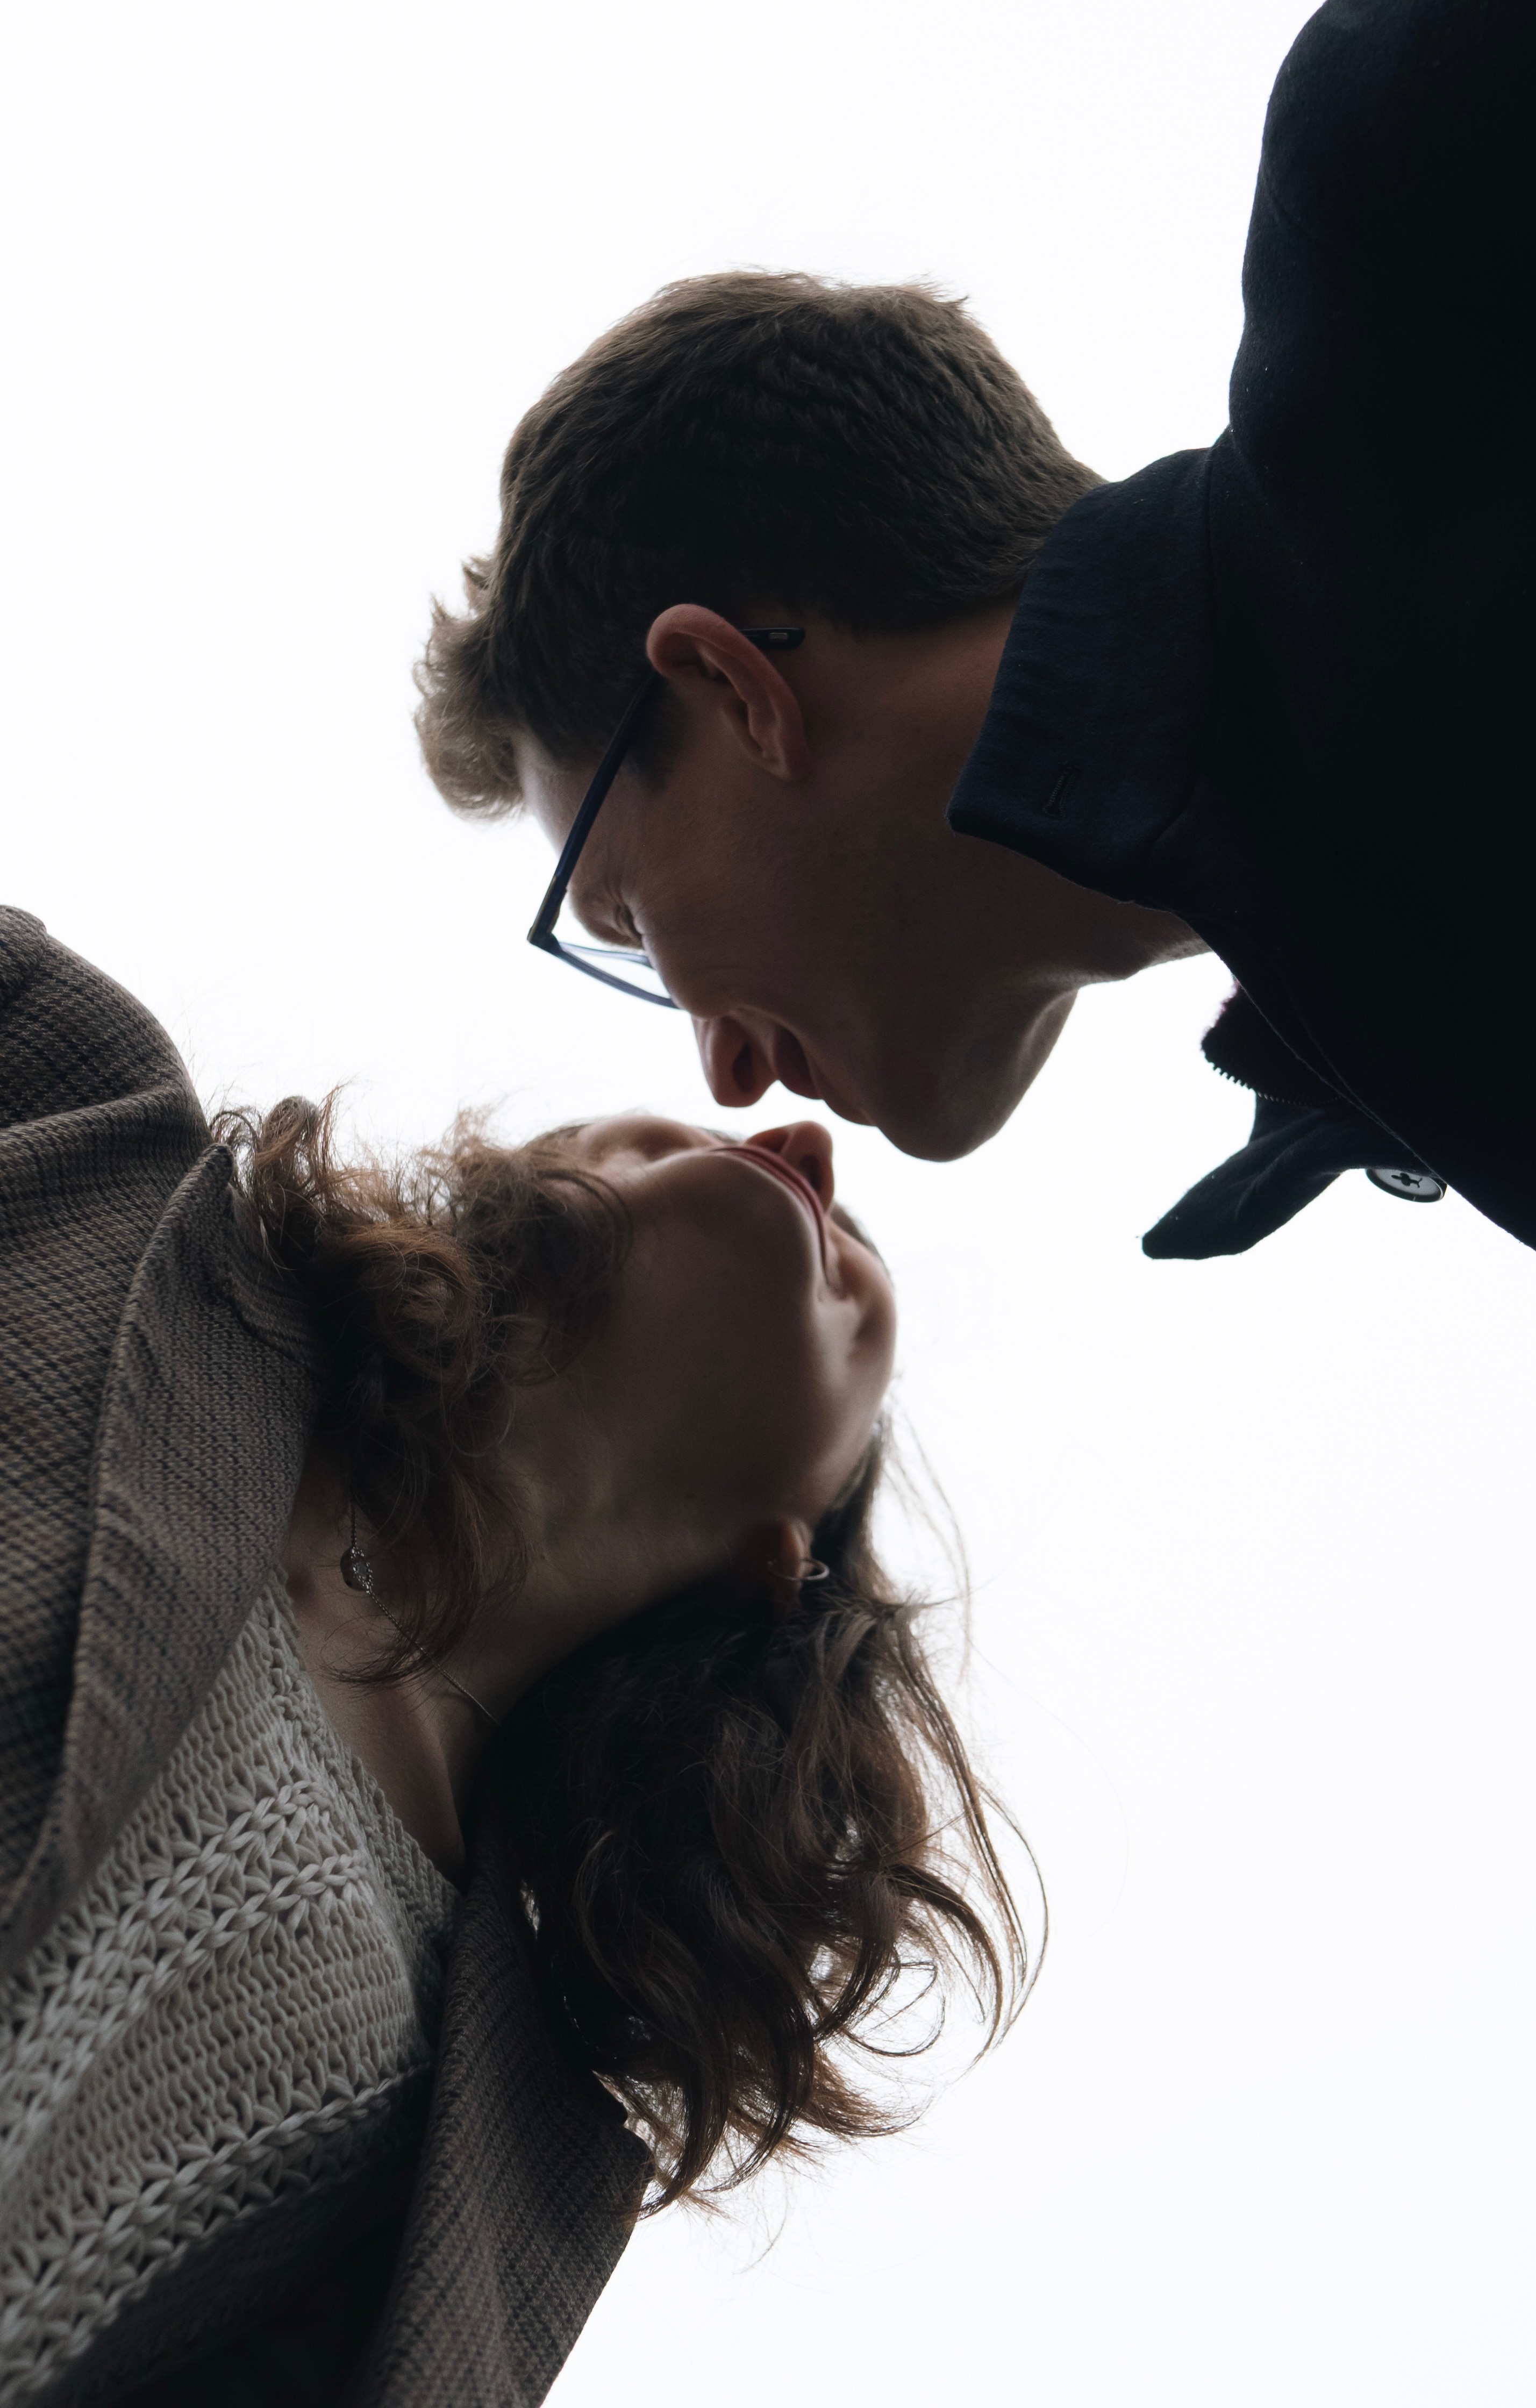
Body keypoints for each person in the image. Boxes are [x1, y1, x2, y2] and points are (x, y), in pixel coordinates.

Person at [415, 0, 1536, 1447]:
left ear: (727, 686)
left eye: (632, 918)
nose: (724, 1064)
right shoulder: (1403, 1052)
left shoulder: (1418, 167)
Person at [0, 905, 1023, 2406]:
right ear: (504, 1196)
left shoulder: (487, 2153)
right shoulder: (87, 1121)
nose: (803, 1143)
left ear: (781, 1557)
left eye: (855, 1268)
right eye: (662, 1125)